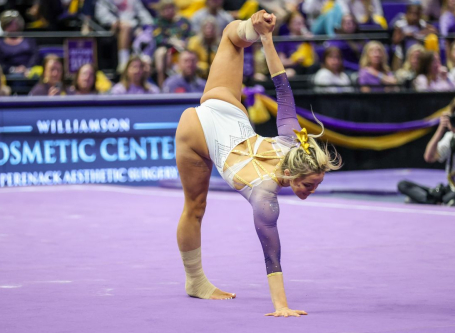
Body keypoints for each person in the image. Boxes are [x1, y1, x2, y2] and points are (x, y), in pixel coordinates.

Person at [175, 10, 340, 316]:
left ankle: (252, 26)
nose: (312, 190)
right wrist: (281, 306)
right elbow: (271, 254)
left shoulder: (293, 140)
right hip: (199, 131)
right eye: (307, 184)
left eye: (317, 185)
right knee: (194, 206)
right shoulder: (265, 195)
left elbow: (281, 85)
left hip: (223, 108)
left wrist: (265, 38)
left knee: (231, 36)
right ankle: (195, 281)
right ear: (290, 172)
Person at [95, 0, 154, 71]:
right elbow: (101, 14)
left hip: (133, 26)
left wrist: (149, 24)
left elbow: (142, 12)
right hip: (113, 27)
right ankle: (124, 63)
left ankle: (143, 64)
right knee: (126, 27)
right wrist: (114, 21)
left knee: (146, 33)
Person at [391, 3, 436, 70]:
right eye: (411, 13)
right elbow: (395, 40)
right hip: (402, 55)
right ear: (407, 14)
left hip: (418, 55)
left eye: (416, 14)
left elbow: (433, 31)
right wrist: (405, 35)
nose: (414, 17)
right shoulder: (400, 25)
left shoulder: (422, 24)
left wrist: (416, 35)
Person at [0, 10, 39, 75]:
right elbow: (0, 63)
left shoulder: (29, 40)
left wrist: (28, 68)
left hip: (29, 71)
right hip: (9, 74)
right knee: (17, 76)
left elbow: (35, 56)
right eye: (9, 24)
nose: (12, 27)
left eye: (14, 24)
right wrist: (13, 69)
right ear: (4, 25)